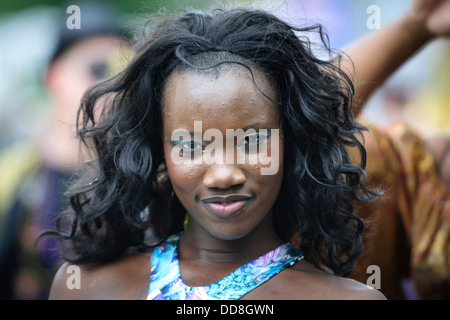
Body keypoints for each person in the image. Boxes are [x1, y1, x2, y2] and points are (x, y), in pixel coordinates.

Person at [47, 0, 449, 300]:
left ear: (293, 144)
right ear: (158, 151)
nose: (224, 175)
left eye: (253, 141)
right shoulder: (85, 287)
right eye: (191, 145)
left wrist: (415, 28)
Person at [0, 2, 131, 299]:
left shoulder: (143, 177)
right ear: (53, 75)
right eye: (97, 69)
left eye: (123, 72)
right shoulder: (10, 176)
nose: (110, 87)